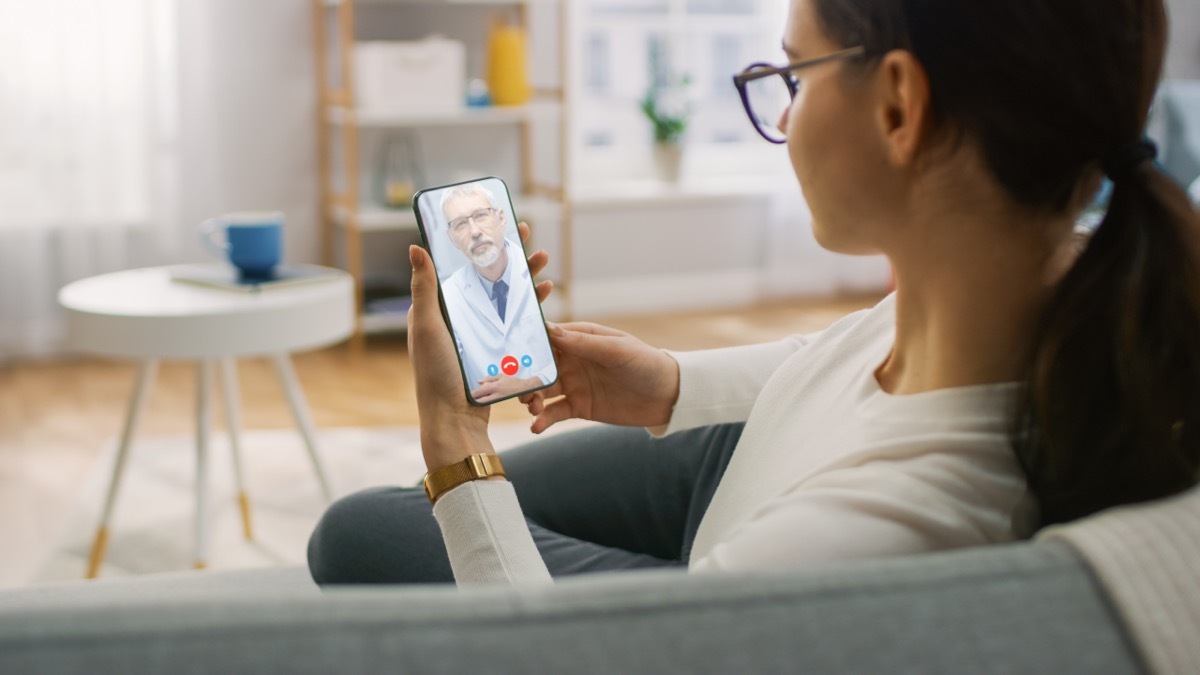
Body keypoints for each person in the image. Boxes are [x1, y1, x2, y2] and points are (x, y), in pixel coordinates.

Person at [308, 0, 1200, 587]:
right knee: (388, 521)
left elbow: (558, 658)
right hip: (757, 455)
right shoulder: (1047, 277)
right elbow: (844, 349)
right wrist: (666, 382)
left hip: (744, 547)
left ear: (898, 106)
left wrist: (457, 438)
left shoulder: (882, 528)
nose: (780, 114)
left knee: (360, 532)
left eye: (791, 76)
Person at [434, 181, 556, 404]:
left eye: (480, 215)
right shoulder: (449, 294)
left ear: (501, 219)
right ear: (451, 238)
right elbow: (456, 373)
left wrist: (530, 383)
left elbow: (557, 355)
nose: (474, 232)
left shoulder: (534, 272)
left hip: (546, 399)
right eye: (461, 224)